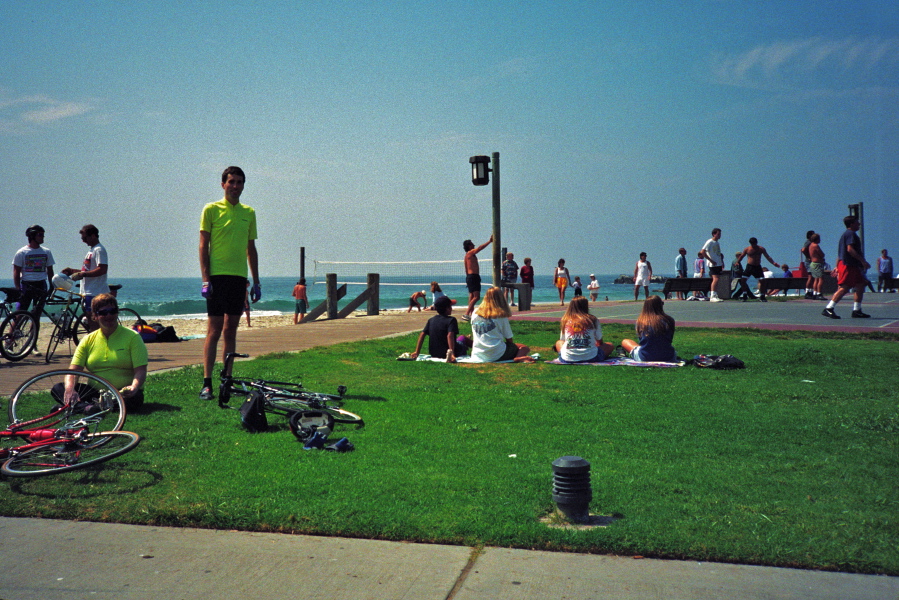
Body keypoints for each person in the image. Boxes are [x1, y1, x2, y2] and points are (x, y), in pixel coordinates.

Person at [199, 166, 261, 400]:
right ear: (223, 184)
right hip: (217, 278)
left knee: (231, 330)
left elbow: (251, 249)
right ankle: (207, 383)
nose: (235, 186)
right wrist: (206, 279)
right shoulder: (211, 209)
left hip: (238, 278)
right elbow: (203, 245)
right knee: (214, 330)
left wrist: (256, 281)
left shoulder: (249, 212)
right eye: (231, 181)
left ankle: (227, 380)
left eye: (239, 182)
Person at [64, 293, 148, 412]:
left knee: (132, 399)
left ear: (117, 313)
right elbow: (73, 372)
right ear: (95, 316)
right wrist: (70, 389)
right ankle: (90, 407)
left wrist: (134, 387)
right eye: (103, 313)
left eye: (112, 311)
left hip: (123, 393)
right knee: (59, 388)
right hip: (95, 392)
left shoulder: (133, 337)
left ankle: (83, 407)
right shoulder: (87, 340)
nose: (109, 315)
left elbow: (141, 370)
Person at [462, 287, 533, 363]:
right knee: (524, 347)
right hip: (497, 353)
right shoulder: (500, 315)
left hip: (478, 353)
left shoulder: (475, 312)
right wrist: (511, 347)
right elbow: (509, 338)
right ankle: (518, 357)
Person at [61, 224, 109, 325]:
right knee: (90, 320)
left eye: (85, 238)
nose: (83, 241)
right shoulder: (91, 250)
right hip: (87, 292)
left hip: (95, 292)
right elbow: (88, 270)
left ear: (93, 236)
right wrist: (72, 271)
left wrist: (83, 275)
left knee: (94, 322)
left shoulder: (99, 250)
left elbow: (102, 269)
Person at [823, 215, 870, 319]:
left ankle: (857, 310)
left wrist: (836, 266)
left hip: (852, 265)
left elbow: (840, 253)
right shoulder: (850, 234)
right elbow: (850, 249)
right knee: (845, 287)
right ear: (852, 224)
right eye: (857, 222)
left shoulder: (847, 235)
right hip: (848, 265)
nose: (859, 224)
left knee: (860, 285)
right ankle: (829, 308)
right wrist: (863, 261)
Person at [552, 296, 613, 363]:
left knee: (559, 342)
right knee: (609, 345)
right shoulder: (592, 319)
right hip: (592, 358)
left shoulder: (565, 319)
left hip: (567, 359)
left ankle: (567, 355)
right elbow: (599, 341)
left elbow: (563, 339)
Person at [12, 224, 55, 313]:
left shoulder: (46, 251)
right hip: (27, 285)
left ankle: (34, 323)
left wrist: (51, 285)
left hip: (41, 284)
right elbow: (16, 271)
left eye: (43, 235)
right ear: (32, 236)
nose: (42, 237)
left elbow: (50, 270)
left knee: (37, 313)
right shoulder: (22, 252)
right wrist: (18, 288)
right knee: (20, 312)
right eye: (40, 235)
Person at [410, 296, 466, 362]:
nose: (451, 308)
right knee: (464, 339)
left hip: (434, 353)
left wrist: (417, 352)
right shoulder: (451, 320)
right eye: (450, 306)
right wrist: (452, 353)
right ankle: (477, 350)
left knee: (460, 339)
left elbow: (422, 334)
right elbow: (450, 335)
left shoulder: (431, 320)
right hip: (448, 352)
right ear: (447, 308)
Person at [621, 295, 677, 362]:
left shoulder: (641, 321)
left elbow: (641, 340)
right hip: (668, 357)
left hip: (646, 357)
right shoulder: (669, 320)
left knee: (625, 342)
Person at [734, 237, 780, 302]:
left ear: (756, 243)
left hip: (757, 267)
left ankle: (762, 296)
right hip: (749, 267)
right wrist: (737, 262)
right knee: (743, 280)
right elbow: (742, 256)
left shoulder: (761, 249)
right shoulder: (747, 249)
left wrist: (773, 263)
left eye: (754, 244)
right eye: (752, 244)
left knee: (762, 281)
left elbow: (767, 256)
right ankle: (745, 295)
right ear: (750, 243)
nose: (753, 245)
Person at [462, 235, 492, 321]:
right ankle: (466, 314)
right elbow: (480, 248)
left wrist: (468, 278)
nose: (474, 245)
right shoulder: (470, 252)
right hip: (473, 276)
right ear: (469, 246)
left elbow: (466, 269)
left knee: (471, 296)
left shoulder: (466, 256)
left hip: (470, 277)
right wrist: (489, 241)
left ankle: (471, 314)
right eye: (472, 244)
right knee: (476, 297)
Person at [701, 228, 724, 302]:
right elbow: (702, 251)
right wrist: (710, 260)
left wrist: (721, 262)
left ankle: (715, 294)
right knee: (715, 279)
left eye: (720, 234)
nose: (719, 235)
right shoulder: (710, 242)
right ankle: (712, 296)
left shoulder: (717, 242)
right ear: (714, 234)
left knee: (717, 279)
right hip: (713, 264)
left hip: (718, 263)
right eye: (718, 234)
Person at [807, 234, 827, 300]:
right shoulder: (816, 246)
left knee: (816, 279)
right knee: (821, 279)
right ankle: (819, 293)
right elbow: (822, 254)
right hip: (818, 264)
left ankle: (815, 293)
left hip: (813, 263)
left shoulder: (810, 245)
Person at [801, 230, 815, 298]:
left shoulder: (811, 242)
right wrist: (808, 257)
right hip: (809, 262)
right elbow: (803, 250)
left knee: (812, 277)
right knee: (810, 277)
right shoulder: (808, 242)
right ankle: (807, 292)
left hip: (811, 261)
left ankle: (810, 291)